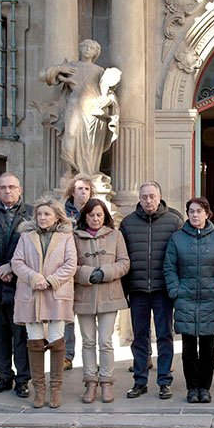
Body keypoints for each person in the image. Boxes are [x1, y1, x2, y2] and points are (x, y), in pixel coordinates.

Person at [11, 196, 77, 409]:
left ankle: (55, 389)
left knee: (57, 340)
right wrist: (34, 278)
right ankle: (39, 389)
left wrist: (51, 280)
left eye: (47, 214)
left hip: (55, 293)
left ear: (57, 216)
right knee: (35, 341)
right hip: (31, 293)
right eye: (39, 214)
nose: (42, 217)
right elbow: (17, 262)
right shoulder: (26, 236)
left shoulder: (66, 237)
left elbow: (71, 264)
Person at [121, 181, 184, 400]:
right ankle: (140, 381)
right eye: (145, 196)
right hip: (137, 288)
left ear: (160, 197)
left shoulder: (174, 222)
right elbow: (122, 257)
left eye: (152, 196)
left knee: (165, 335)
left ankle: (164, 380)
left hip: (163, 289)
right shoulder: (128, 224)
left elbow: (180, 258)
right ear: (139, 198)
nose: (149, 200)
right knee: (139, 336)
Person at [164, 197, 214, 404]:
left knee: (208, 349)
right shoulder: (177, 238)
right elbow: (169, 267)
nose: (195, 215)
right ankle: (192, 388)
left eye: (199, 211)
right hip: (186, 299)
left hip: (211, 299)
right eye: (191, 211)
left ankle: (205, 387)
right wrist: (176, 291)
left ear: (207, 214)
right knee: (189, 349)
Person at [0, 173, 33, 398]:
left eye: (12, 187)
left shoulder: (31, 214)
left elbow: (34, 248)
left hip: (20, 286)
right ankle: (4, 376)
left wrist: (11, 267)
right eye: (3, 188)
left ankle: (23, 379)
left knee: (21, 336)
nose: (7, 191)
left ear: (20, 189)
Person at [37, 38, 120, 181]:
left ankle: (89, 172)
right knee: (70, 135)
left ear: (96, 53)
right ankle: (69, 170)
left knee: (90, 142)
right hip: (74, 105)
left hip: (93, 109)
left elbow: (107, 89)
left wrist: (108, 101)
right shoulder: (71, 66)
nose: (88, 49)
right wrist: (58, 69)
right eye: (86, 46)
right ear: (79, 49)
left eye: (92, 48)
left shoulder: (99, 71)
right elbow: (43, 76)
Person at [74, 198, 130, 404]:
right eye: (91, 215)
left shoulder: (116, 235)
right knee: (87, 341)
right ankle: (90, 382)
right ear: (85, 217)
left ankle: (106, 382)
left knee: (105, 341)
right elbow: (69, 264)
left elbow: (124, 263)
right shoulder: (75, 237)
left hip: (109, 294)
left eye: (99, 215)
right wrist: (88, 273)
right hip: (84, 295)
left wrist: (105, 272)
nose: (95, 219)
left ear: (105, 216)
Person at [62, 173, 94, 370]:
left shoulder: (95, 211)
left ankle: (91, 357)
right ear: (72, 191)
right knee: (67, 316)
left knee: (90, 316)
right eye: (80, 188)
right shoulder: (62, 212)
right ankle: (67, 355)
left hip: (86, 269)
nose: (83, 192)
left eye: (87, 189)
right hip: (66, 270)